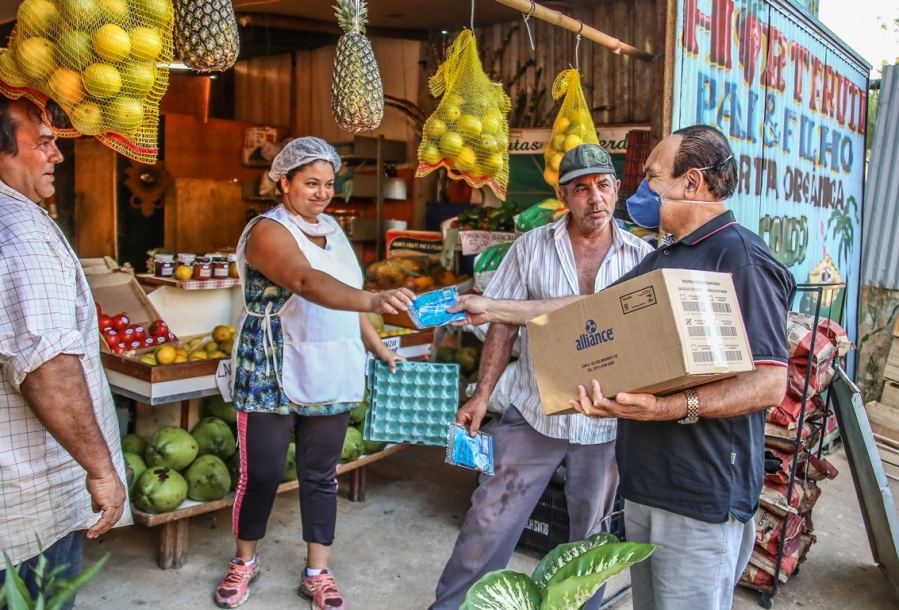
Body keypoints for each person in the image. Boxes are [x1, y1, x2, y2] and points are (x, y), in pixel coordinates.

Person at [448, 125, 796, 610]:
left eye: (651, 178)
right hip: (648, 482)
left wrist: (667, 407)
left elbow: (770, 383)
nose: (639, 191)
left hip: (701, 490)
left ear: (691, 183)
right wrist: (495, 308)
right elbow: (584, 311)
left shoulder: (739, 257)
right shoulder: (667, 257)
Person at [430, 144, 653, 610]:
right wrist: (481, 394)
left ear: (616, 189)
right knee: (487, 521)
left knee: (589, 542)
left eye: (604, 186)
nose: (595, 198)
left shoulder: (642, 255)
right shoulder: (531, 247)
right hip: (534, 414)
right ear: (563, 196)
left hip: (605, 425)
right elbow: (502, 323)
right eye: (582, 189)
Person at [214, 137, 414, 610]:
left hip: (333, 366)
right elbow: (305, 281)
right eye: (310, 183)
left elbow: (345, 296)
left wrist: (379, 346)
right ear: (284, 183)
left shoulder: (334, 229)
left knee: (321, 475)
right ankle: (244, 561)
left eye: (328, 184)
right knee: (261, 474)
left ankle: (317, 571)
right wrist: (373, 299)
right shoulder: (266, 230)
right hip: (271, 367)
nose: (322, 193)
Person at [0, 97, 130, 608]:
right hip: (31, 501)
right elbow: (48, 367)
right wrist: (101, 470)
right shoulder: (22, 231)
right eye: (45, 143)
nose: (58, 156)